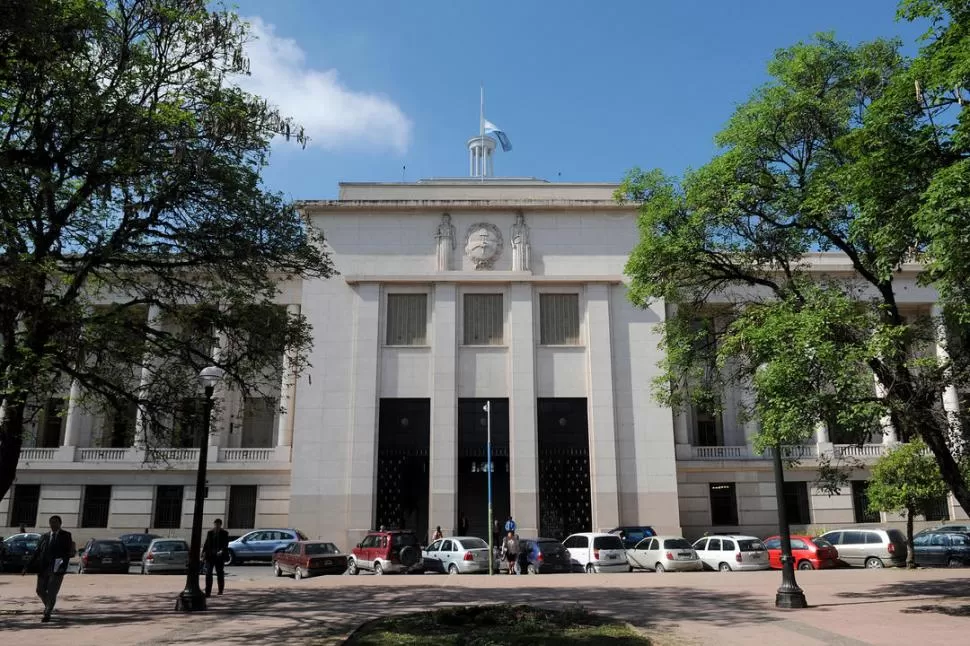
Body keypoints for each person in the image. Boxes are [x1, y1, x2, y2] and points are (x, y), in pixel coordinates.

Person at [24, 515, 73, 623]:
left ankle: (47, 613)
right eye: (51, 522)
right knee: (40, 590)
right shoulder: (44, 536)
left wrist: (63, 565)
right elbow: (36, 552)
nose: (53, 524)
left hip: (57, 567)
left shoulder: (66, 535)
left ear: (60, 524)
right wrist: (27, 566)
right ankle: (49, 606)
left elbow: (68, 552)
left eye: (55, 522)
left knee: (51, 592)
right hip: (43, 568)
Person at [202, 518, 229, 597]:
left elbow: (225, 544)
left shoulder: (224, 533)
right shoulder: (210, 533)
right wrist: (203, 553)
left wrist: (222, 551)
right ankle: (208, 591)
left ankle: (220, 590)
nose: (216, 526)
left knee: (220, 573)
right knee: (208, 573)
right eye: (215, 524)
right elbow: (206, 543)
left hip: (219, 557)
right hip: (210, 556)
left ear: (220, 525)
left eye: (218, 524)